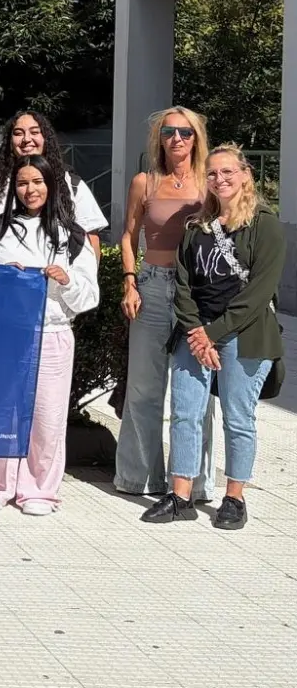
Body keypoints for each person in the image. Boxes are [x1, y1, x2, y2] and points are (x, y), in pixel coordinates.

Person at [143, 145, 285, 530]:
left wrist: (212, 333)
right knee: (186, 413)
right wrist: (195, 331)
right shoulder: (197, 225)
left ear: (245, 175)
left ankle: (234, 499)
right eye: (212, 174)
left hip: (245, 334)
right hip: (194, 332)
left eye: (227, 172)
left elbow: (259, 292)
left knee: (238, 418)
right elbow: (184, 283)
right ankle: (180, 495)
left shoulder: (265, 224)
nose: (219, 179)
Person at [0, 155, 99, 515]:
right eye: (23, 183)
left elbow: (90, 296)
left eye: (38, 182)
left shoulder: (72, 235)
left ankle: (39, 489)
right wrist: (1, 277)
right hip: (4, 334)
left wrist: (66, 279)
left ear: (52, 185)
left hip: (52, 333)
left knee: (47, 416)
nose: (30, 190)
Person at [114, 107, 211, 499]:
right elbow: (127, 235)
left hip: (197, 292)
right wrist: (130, 282)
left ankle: (194, 482)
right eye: (169, 132)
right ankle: (138, 477)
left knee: (196, 390)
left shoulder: (209, 183)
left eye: (185, 133)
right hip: (151, 286)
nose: (177, 139)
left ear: (196, 138)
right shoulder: (145, 181)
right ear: (160, 138)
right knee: (143, 386)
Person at [0, 111, 107, 253]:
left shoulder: (70, 182)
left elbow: (90, 239)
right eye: (18, 133)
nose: (26, 139)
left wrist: (83, 278)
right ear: (9, 141)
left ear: (45, 138)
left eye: (35, 132)